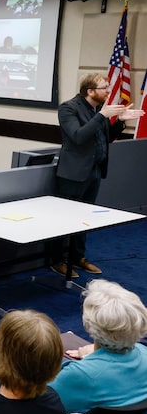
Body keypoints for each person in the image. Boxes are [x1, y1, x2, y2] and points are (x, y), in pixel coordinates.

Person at [51, 73, 144, 278]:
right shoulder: (69, 108)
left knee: (84, 218)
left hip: (94, 170)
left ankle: (77, 257)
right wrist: (102, 115)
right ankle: (58, 260)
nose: (109, 91)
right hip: (73, 173)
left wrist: (119, 121)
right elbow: (78, 137)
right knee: (65, 218)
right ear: (90, 91)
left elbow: (106, 138)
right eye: (105, 88)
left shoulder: (97, 110)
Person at [50, 279, 147, 414]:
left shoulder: (78, 375)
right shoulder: (144, 353)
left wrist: (88, 363)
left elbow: (38, 401)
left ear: (89, 325)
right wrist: (92, 358)